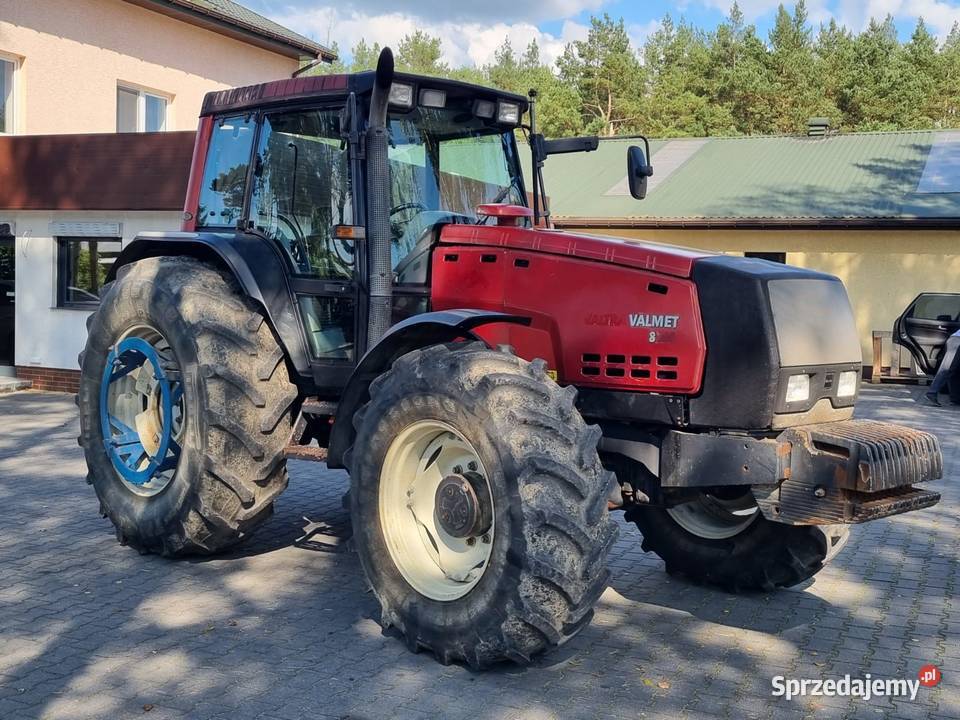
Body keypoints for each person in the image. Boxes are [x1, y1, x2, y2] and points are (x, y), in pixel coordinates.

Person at [924, 328, 960, 406]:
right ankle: (932, 393)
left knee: (955, 370)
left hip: (955, 340)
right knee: (947, 368)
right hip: (957, 341)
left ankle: (955, 399)